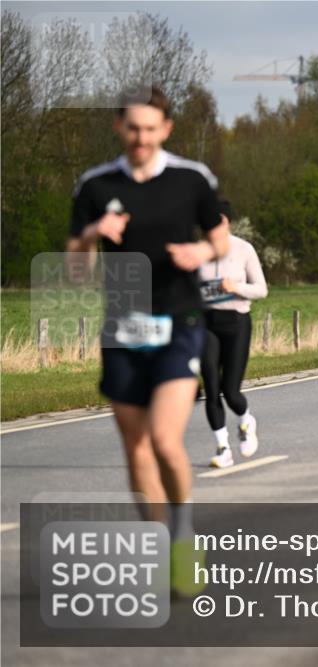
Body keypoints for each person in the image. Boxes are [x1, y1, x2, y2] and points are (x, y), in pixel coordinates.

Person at [66, 87, 227, 596]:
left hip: (180, 323)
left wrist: (199, 251)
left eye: (150, 129)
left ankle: (183, 534)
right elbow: (75, 268)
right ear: (119, 127)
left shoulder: (191, 178)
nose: (141, 138)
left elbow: (221, 235)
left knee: (163, 439)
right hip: (122, 328)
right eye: (132, 129)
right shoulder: (95, 185)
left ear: (166, 129)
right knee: (135, 450)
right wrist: (93, 234)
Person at [199, 200, 268, 469]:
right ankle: (222, 447)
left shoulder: (243, 249)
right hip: (206, 324)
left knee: (230, 391)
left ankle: (245, 420)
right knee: (212, 389)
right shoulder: (198, 252)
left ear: (227, 221)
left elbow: (261, 289)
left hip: (236, 322)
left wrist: (235, 286)